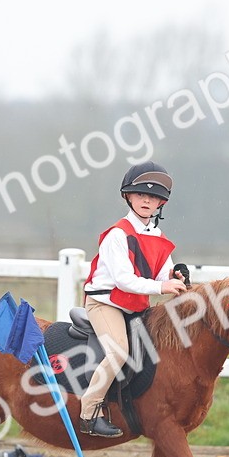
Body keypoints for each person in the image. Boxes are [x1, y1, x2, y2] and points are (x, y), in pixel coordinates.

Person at [79, 161, 187, 437]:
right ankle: (89, 413)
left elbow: (162, 273)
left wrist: (175, 275)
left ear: (161, 203)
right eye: (140, 195)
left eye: (152, 197)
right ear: (128, 196)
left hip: (134, 306)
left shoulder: (157, 236)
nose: (146, 201)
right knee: (118, 352)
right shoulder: (118, 234)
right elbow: (124, 280)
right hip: (105, 303)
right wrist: (163, 286)